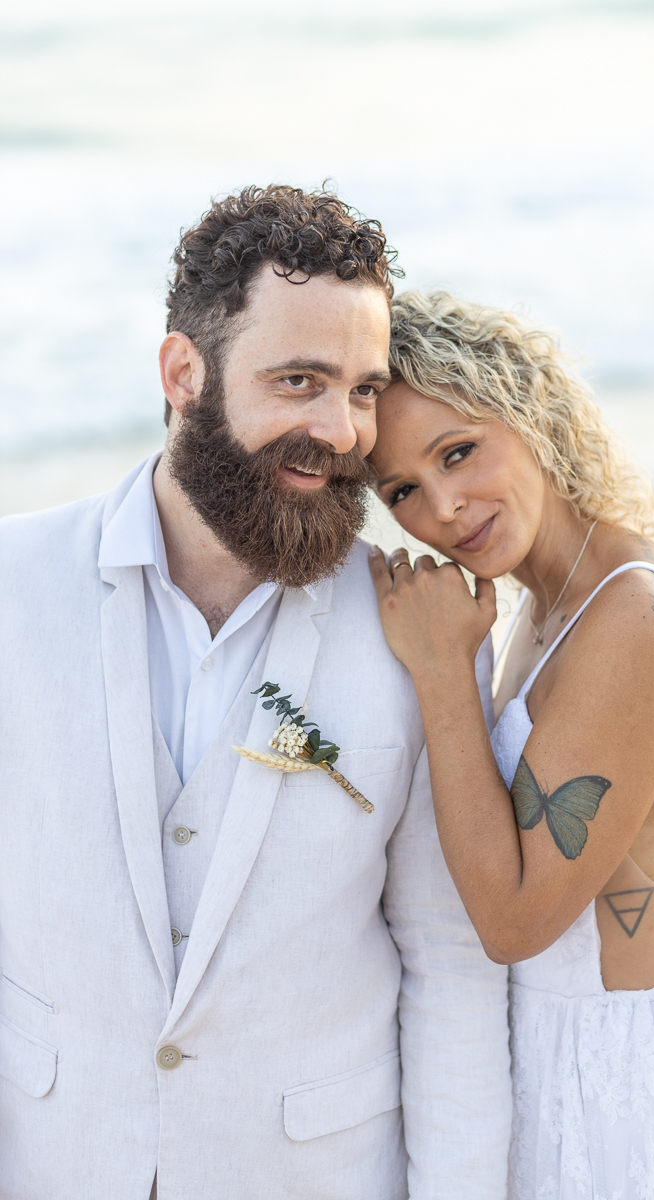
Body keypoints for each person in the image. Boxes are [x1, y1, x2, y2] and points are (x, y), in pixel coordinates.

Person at [0, 194, 512, 1200]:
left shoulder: (418, 628)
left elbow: (451, 966)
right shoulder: (12, 588)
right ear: (184, 375)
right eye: (299, 381)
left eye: (363, 390)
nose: (340, 431)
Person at [369, 289, 654, 1199]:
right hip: (571, 1050)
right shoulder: (547, 603)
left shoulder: (637, 617)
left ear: (530, 412)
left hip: (650, 1069)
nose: (443, 507)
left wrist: (444, 677)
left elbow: (517, 919)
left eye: (459, 452)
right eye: (401, 489)